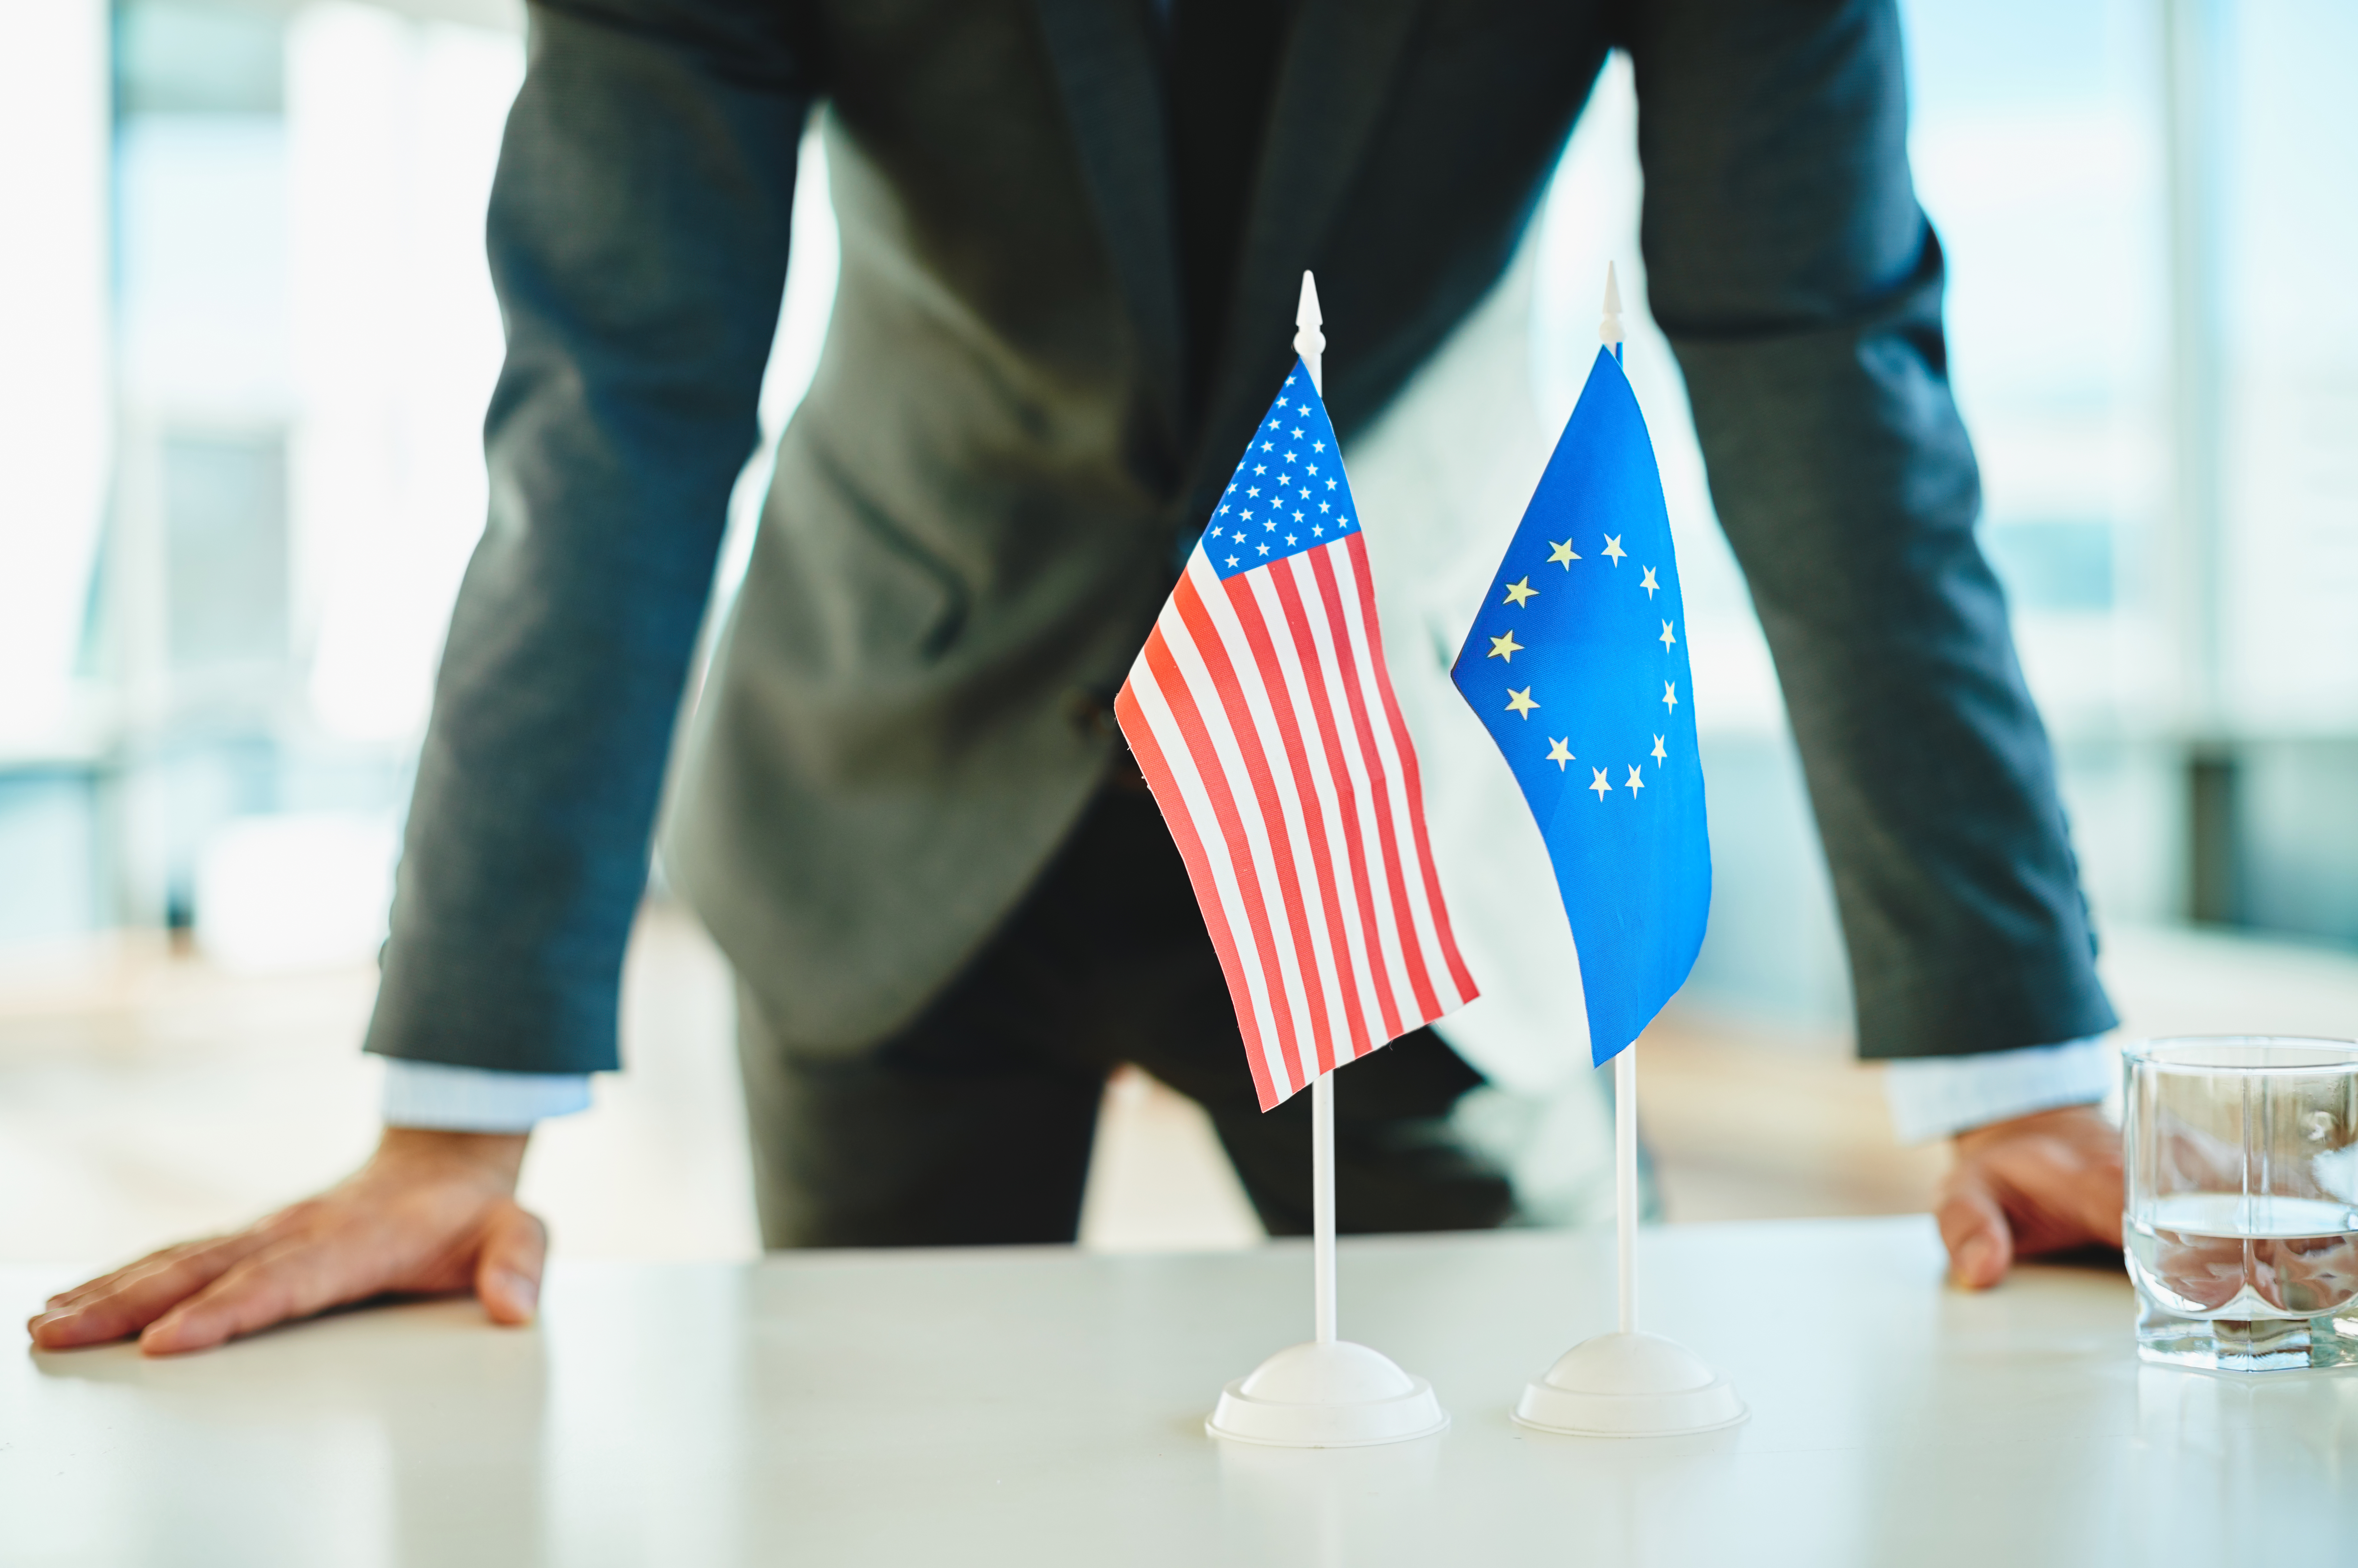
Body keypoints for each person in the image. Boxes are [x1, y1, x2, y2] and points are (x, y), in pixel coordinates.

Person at [31, 0, 2125, 1359]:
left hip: (1403, 789)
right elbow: (624, 388)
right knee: (888, 1499)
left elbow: (1820, 345)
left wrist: (2016, 1066)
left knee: (1556, 1454)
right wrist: (451, 1122)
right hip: (897, 778)